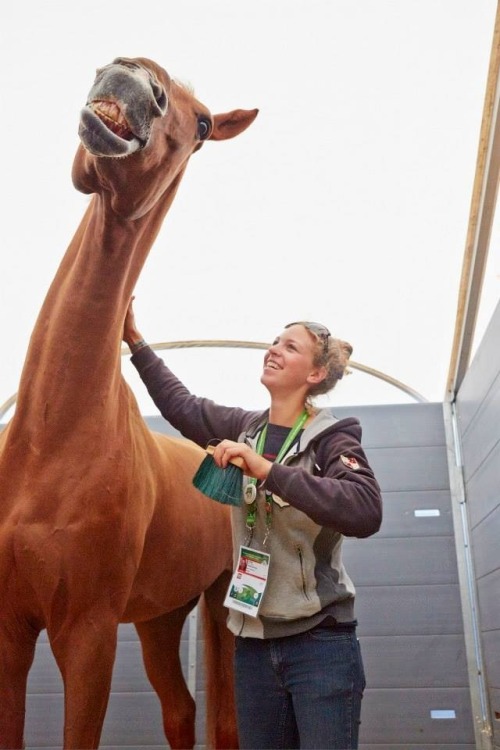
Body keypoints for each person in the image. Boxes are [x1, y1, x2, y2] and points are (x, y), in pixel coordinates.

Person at [123, 299, 382, 750]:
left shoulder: (332, 438)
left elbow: (364, 509)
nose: (273, 349)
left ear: (315, 375)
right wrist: (135, 340)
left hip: (320, 646)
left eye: (290, 346)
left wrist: (268, 471)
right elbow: (181, 405)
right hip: (255, 648)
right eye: (274, 341)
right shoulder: (246, 429)